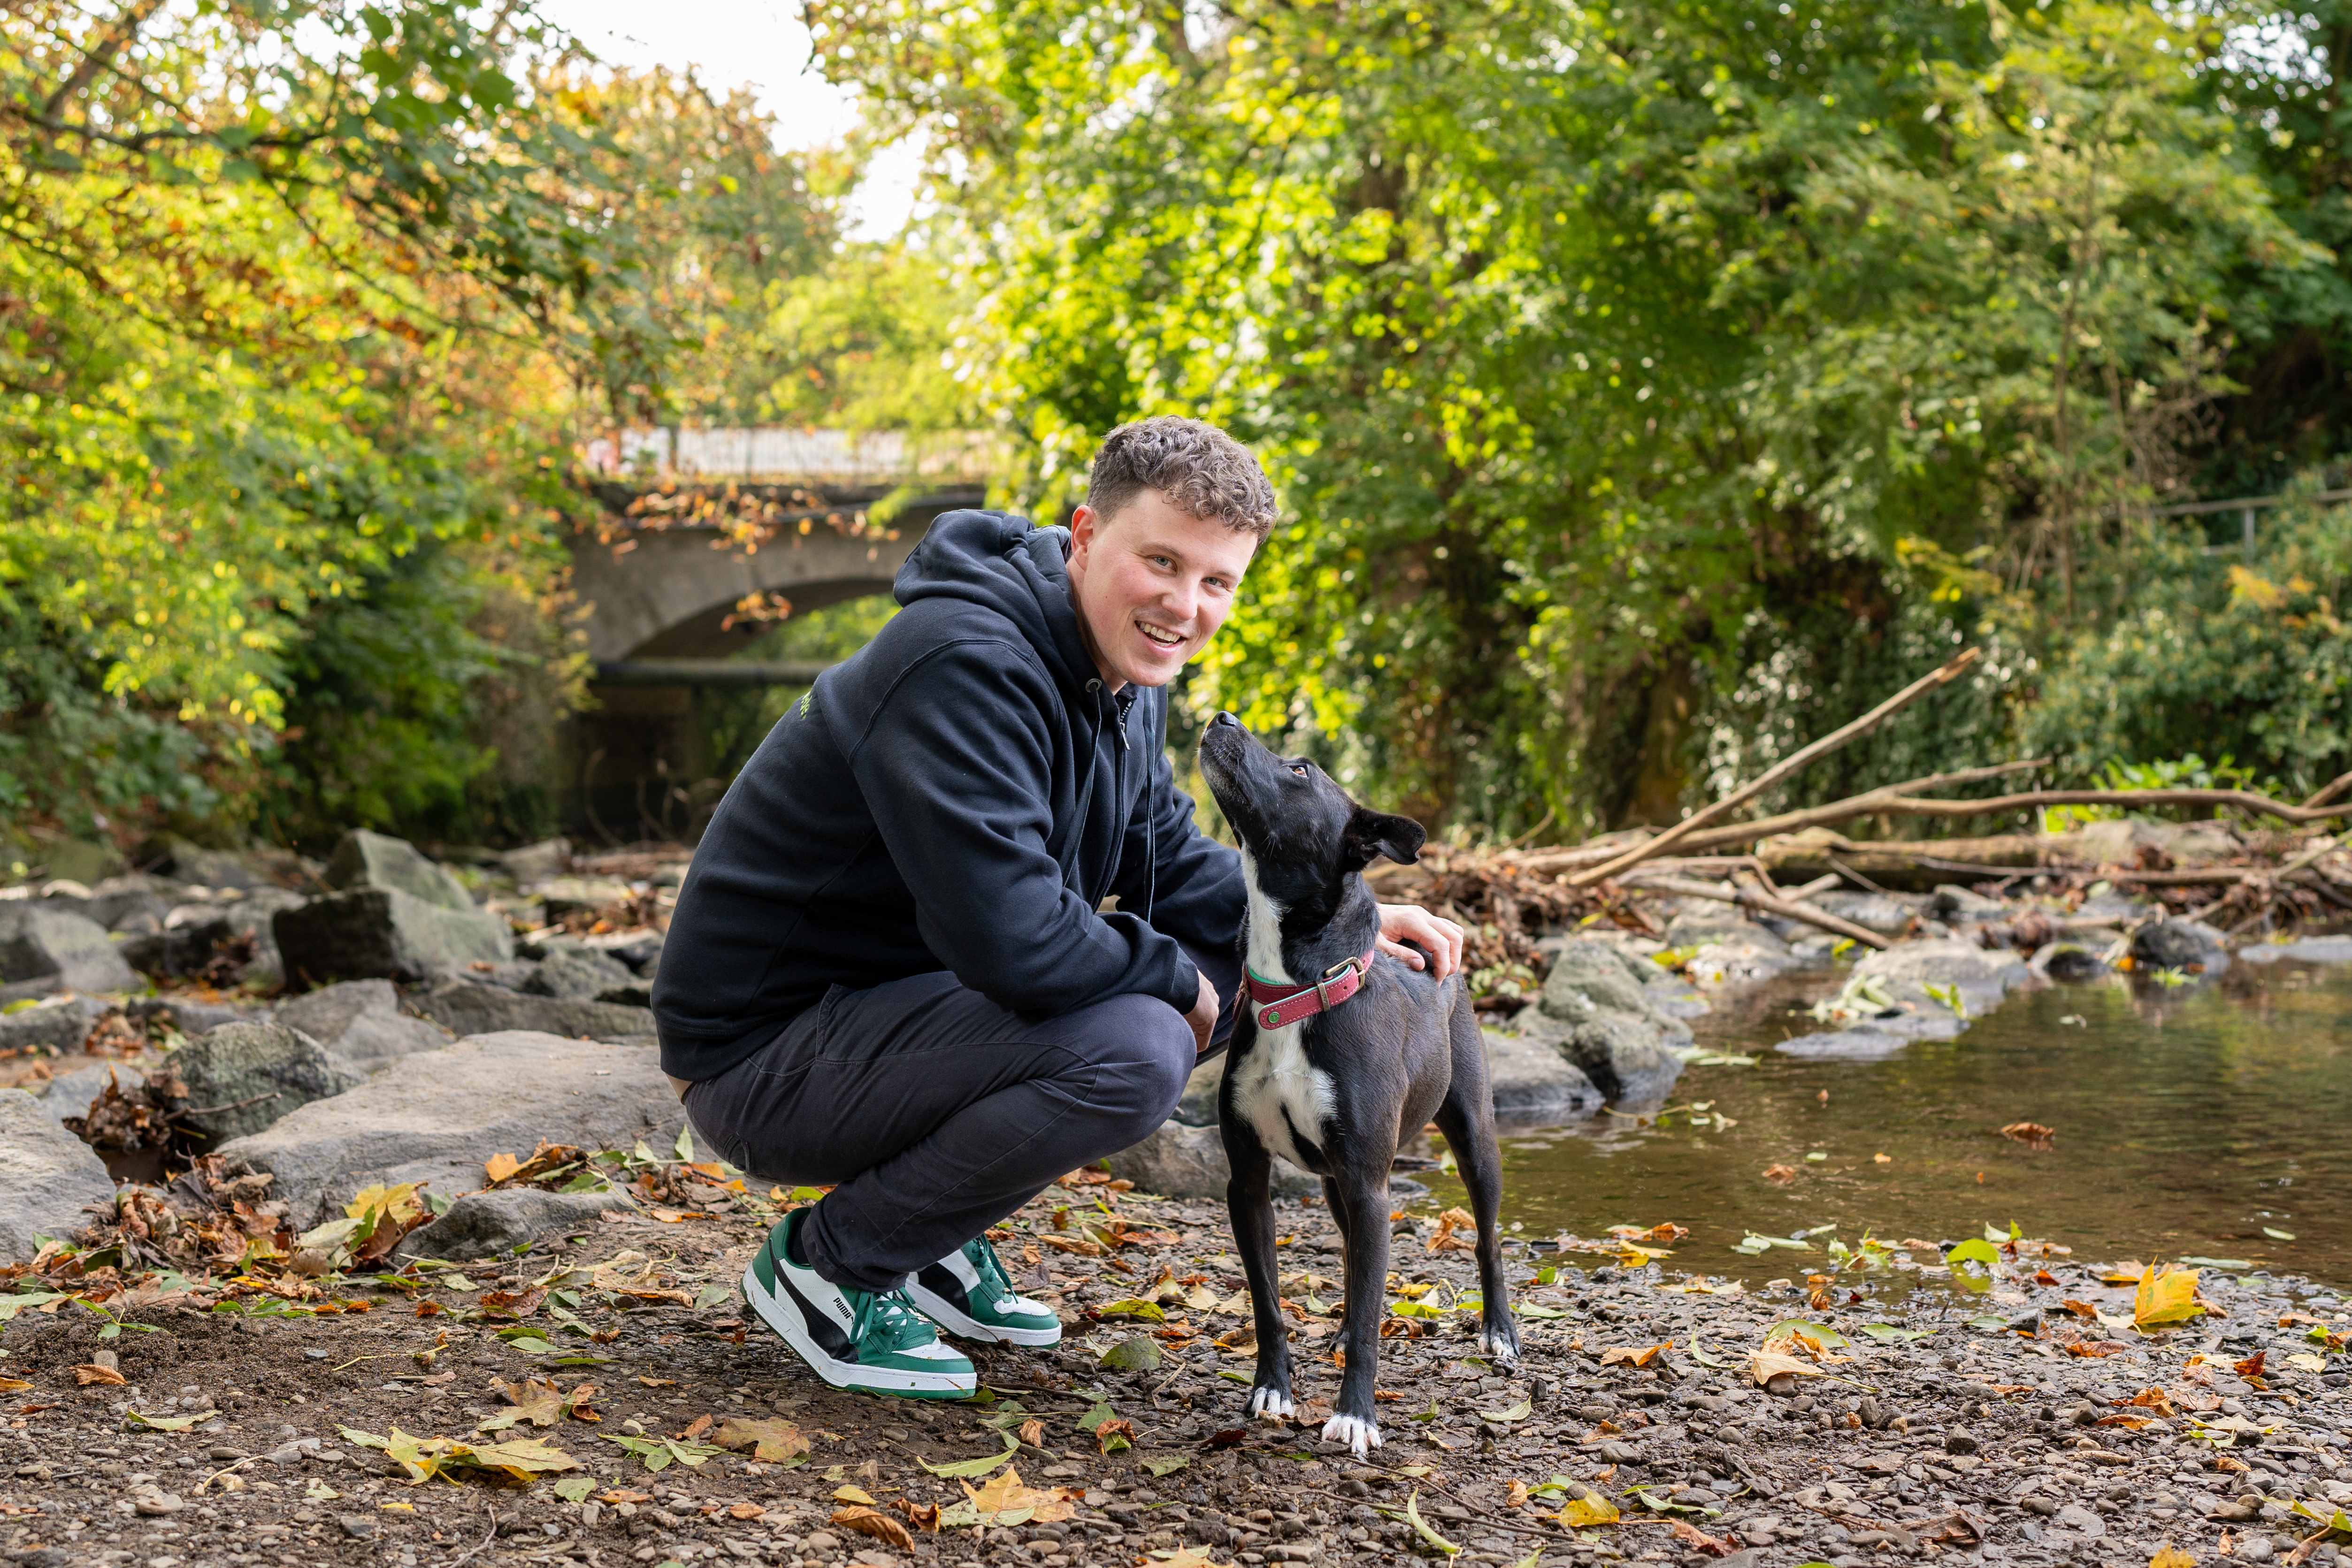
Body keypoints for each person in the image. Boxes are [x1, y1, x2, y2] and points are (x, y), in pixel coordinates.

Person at [651, 416, 1464, 1399]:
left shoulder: (1121, 666)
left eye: (1216, 582)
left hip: (899, 1020)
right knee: (1141, 1045)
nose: (1186, 605)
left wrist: (1352, 935)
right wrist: (1172, 981)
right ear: (1084, 536)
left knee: (1260, 986)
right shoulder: (960, 661)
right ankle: (834, 1264)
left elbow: (1164, 853)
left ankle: (930, 1236)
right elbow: (1016, 940)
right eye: (1160, 562)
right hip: (762, 1060)